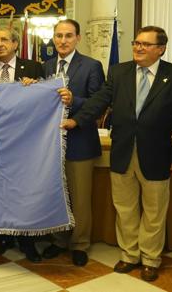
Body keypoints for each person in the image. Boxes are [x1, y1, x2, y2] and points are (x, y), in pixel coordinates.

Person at [62, 26, 172, 281]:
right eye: (136, 43)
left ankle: (151, 258)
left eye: (145, 44)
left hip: (157, 154)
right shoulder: (119, 72)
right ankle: (130, 255)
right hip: (122, 151)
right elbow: (100, 100)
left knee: (154, 211)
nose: (138, 48)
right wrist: (76, 121)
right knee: (125, 207)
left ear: (160, 49)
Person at [0, 26, 45, 263]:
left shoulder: (34, 68)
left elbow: (45, 99)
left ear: (16, 44)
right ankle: (3, 236)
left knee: (23, 191)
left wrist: (34, 87)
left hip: (25, 142)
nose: (0, 44)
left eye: (4, 40)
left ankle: (27, 240)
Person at [42, 19, 105, 266]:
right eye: (58, 36)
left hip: (80, 142)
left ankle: (79, 244)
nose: (63, 41)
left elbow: (99, 103)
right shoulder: (46, 66)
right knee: (57, 195)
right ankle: (58, 240)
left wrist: (74, 100)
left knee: (80, 198)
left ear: (78, 38)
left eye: (68, 36)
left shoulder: (91, 66)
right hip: (50, 145)